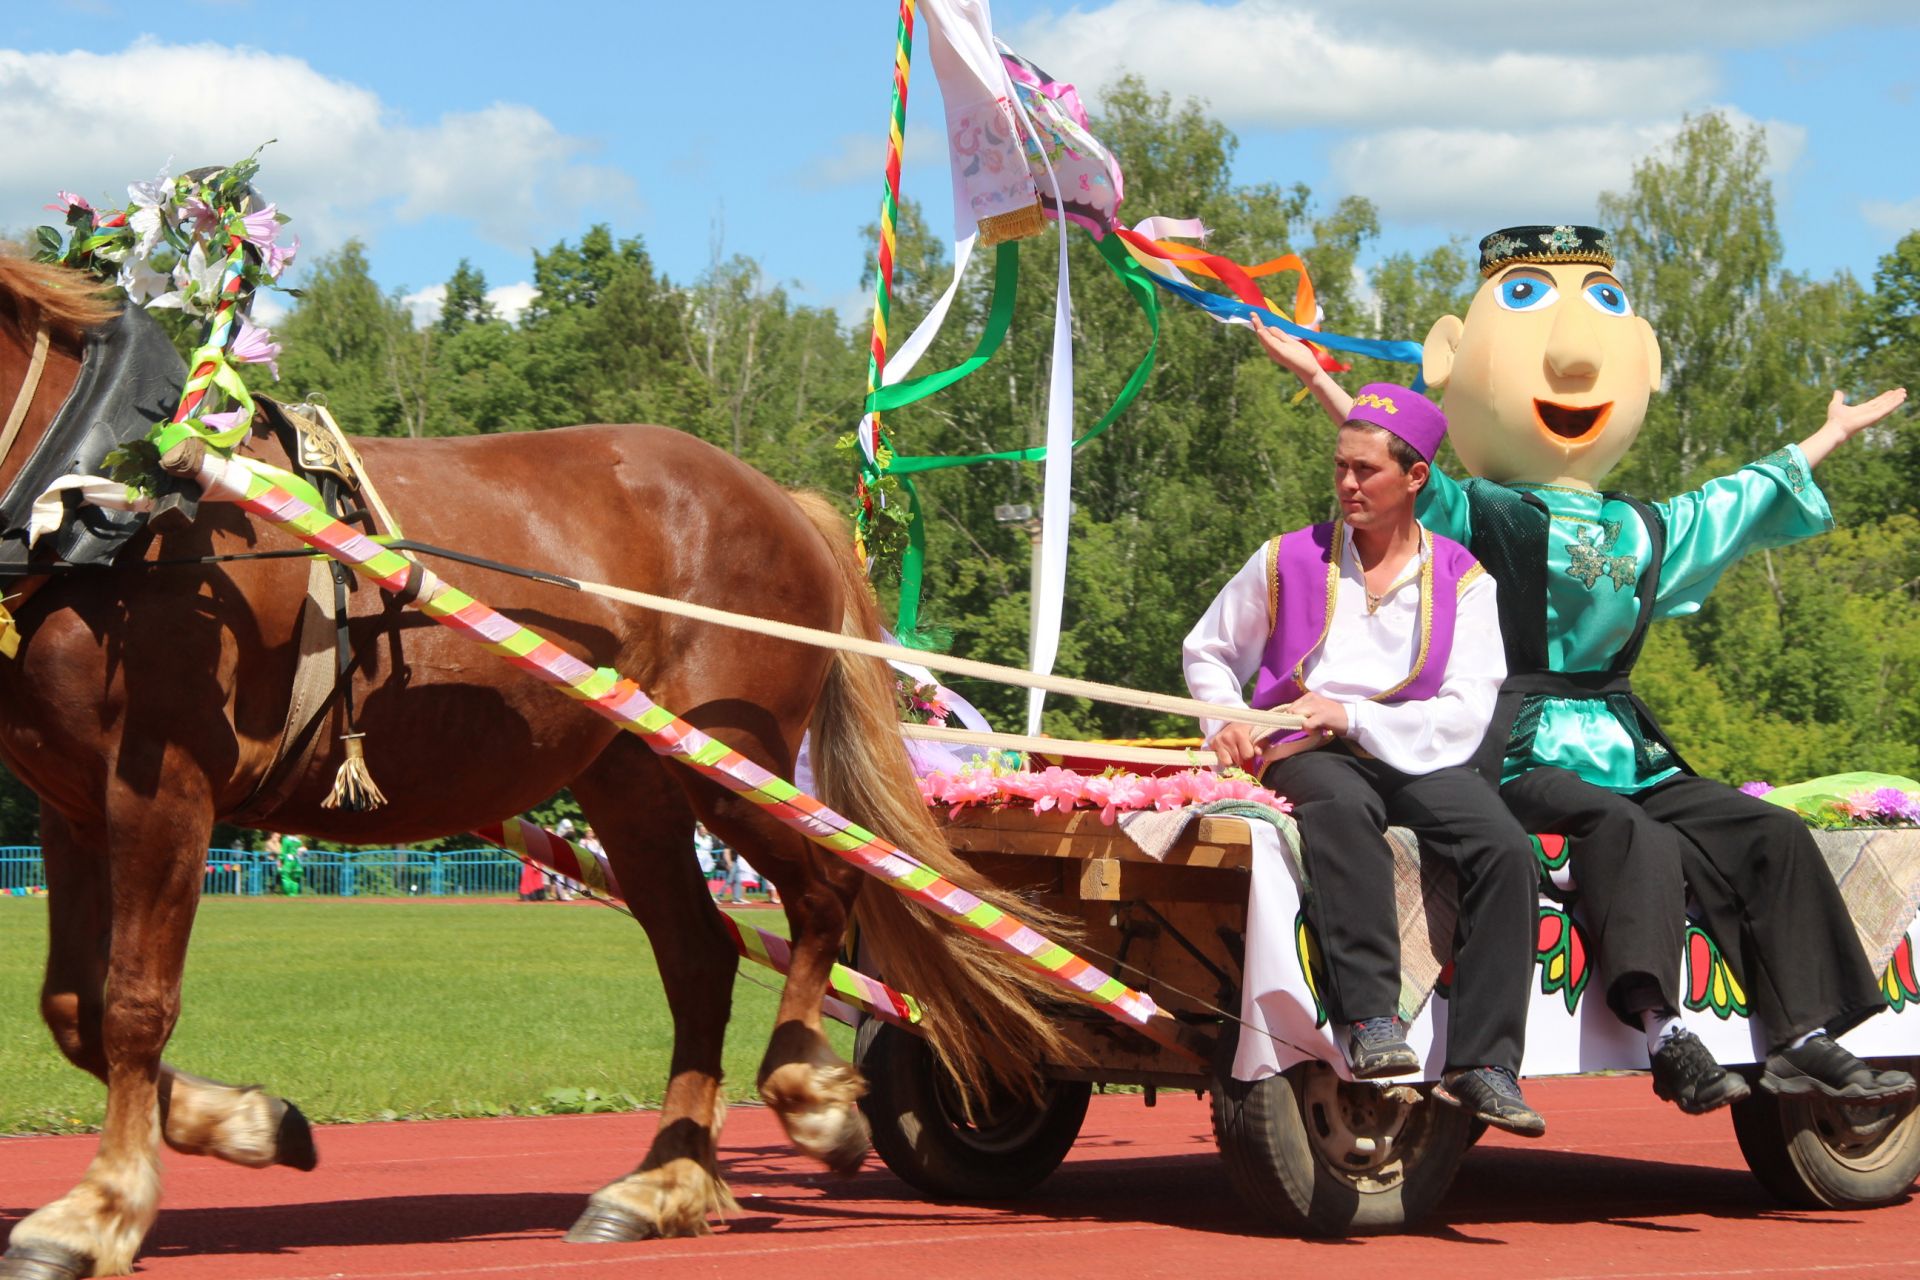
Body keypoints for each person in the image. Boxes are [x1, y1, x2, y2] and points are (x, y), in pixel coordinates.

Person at [1256, 224, 1913, 1115]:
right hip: (1514, 750)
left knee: (1769, 833)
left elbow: (1744, 496)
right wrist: (1320, 381)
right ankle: (1660, 1027)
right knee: (1622, 829)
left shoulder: (1643, 527)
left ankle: (1804, 1033)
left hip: (1626, 742)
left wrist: (1828, 435)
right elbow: (1405, 465)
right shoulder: (1487, 512)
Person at [1184, 384, 1545, 1136]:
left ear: (1415, 478)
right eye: (1341, 468)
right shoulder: (1287, 556)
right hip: (1304, 748)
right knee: (1343, 810)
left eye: (1366, 471)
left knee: (1505, 847)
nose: (1348, 484)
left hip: (1415, 752)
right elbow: (1211, 650)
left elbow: (1466, 711)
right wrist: (1226, 721)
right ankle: (1371, 1018)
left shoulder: (1464, 580)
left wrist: (1352, 714)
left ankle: (1485, 1064)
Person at [276, 831, 305, 898]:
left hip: (288, 860)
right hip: (296, 861)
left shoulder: (286, 840)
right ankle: (294, 893)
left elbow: (283, 852)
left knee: (286, 877)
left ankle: (288, 893)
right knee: (294, 878)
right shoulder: (298, 841)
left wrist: (280, 860)